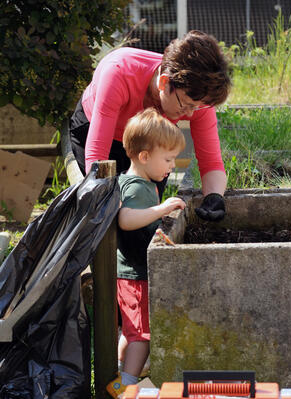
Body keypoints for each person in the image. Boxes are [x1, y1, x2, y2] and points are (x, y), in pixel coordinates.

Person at [70, 30, 231, 222]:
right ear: (164, 82)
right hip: (96, 130)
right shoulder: (119, 73)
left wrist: (214, 197)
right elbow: (97, 153)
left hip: (148, 140)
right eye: (186, 105)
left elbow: (211, 162)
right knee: (102, 211)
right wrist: (103, 196)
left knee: (145, 209)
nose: (189, 114)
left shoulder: (196, 99)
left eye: (195, 108)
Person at [106, 108, 186, 397]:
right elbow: (127, 220)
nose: (172, 165)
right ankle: (125, 389)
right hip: (135, 276)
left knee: (131, 332)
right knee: (142, 336)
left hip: (130, 274)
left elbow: (141, 225)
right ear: (144, 157)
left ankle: (114, 378)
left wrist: (158, 231)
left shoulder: (139, 182)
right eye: (167, 159)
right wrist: (163, 209)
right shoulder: (138, 187)